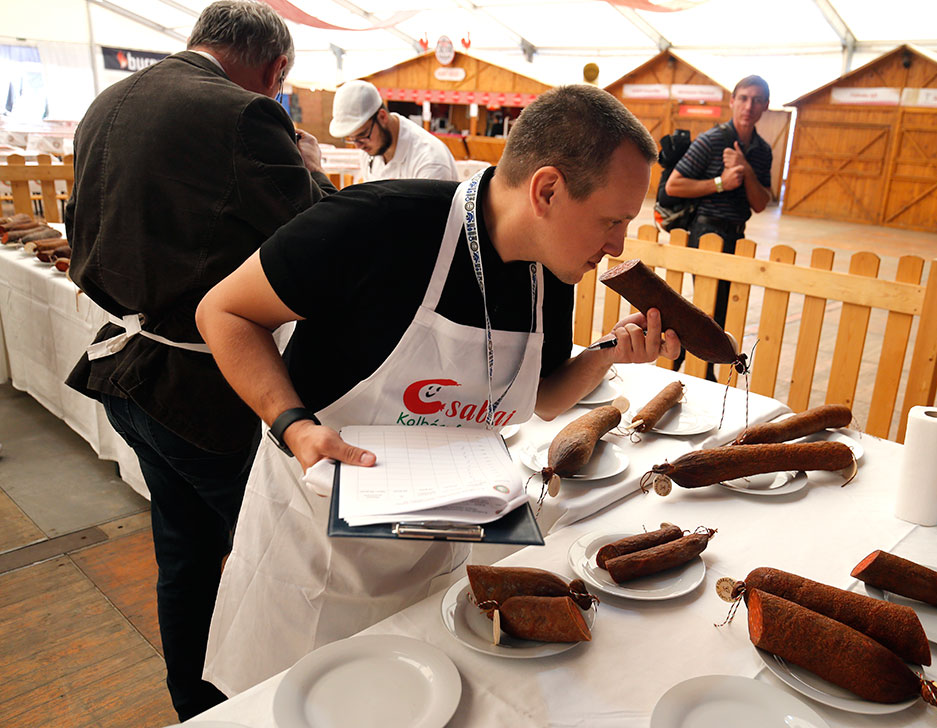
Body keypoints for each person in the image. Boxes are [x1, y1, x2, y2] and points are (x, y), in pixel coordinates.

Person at [195, 84, 680, 695]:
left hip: (435, 547)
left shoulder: (550, 276)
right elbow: (224, 312)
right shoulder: (379, 225)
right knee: (293, 702)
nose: (618, 246)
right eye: (612, 221)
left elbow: (544, 398)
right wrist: (291, 422)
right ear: (547, 190)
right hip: (316, 541)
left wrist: (608, 353)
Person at [63, 1, 335, 720]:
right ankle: (281, 705)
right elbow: (316, 239)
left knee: (185, 555)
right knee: (283, 559)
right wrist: (310, 168)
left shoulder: (110, 100)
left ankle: (196, 705)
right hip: (199, 388)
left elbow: (76, 224)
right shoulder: (245, 114)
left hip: (127, 367)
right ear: (276, 69)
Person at [664, 75, 772, 378]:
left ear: (766, 105)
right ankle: (686, 366)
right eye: (744, 98)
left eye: (757, 100)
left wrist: (746, 169)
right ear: (732, 101)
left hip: (737, 235)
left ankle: (699, 368)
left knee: (721, 310)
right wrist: (720, 183)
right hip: (707, 231)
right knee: (708, 307)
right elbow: (674, 185)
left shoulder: (762, 150)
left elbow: (760, 203)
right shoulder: (711, 140)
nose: (749, 106)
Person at [330, 79, 460, 182]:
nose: (359, 146)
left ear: (382, 117)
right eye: (352, 138)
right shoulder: (369, 151)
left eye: (363, 135)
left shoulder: (430, 161)